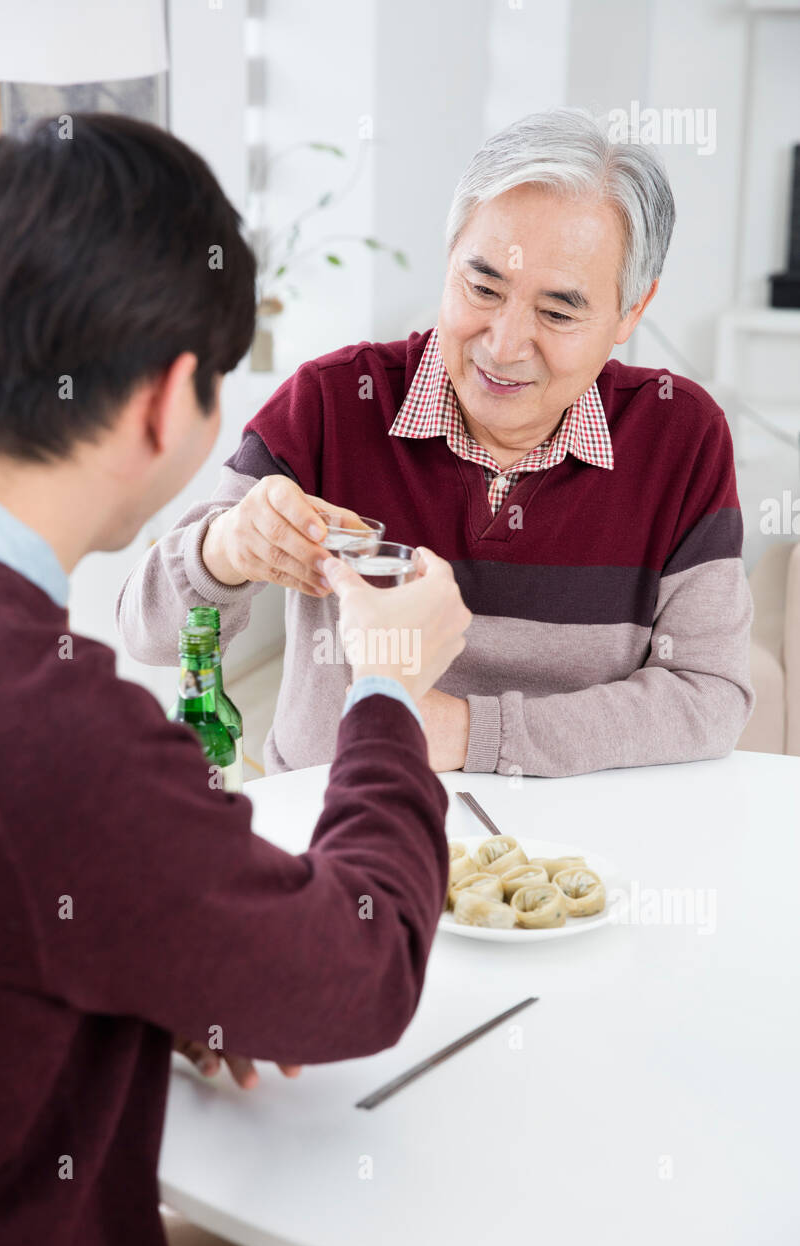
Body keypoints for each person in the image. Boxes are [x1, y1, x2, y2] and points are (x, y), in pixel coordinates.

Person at [0, 113, 470, 1246]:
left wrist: (163, 961)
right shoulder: (37, 721)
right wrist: (385, 692)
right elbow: (360, 968)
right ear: (170, 398)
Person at [118, 107, 754, 780]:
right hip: (336, 830)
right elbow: (147, 634)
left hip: (568, 858)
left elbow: (709, 694)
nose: (504, 345)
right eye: (482, 287)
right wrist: (224, 551)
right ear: (449, 260)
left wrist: (472, 734)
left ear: (632, 310)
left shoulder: (679, 436)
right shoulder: (331, 404)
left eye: (558, 311)